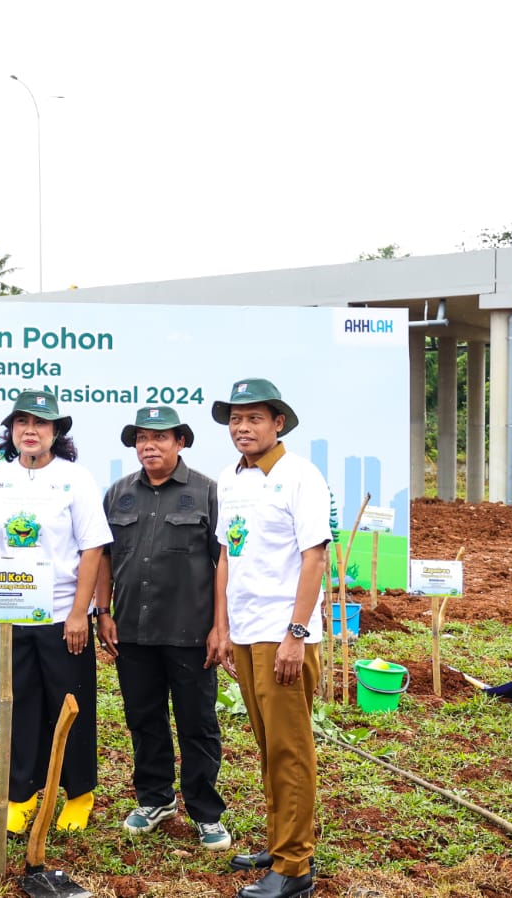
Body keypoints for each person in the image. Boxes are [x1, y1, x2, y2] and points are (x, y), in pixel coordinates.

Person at [211, 379, 331, 898]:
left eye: (254, 417)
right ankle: (283, 841)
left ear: (278, 422)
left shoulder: (300, 476)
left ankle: (295, 867)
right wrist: (222, 627)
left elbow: (315, 557)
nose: (243, 427)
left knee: (290, 750)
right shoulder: (229, 479)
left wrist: (295, 635)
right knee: (267, 746)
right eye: (236, 418)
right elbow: (226, 557)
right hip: (246, 631)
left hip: (284, 635)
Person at [0, 390, 110, 834]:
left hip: (59, 616)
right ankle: (21, 793)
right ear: (11, 432)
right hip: (10, 615)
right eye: (21, 423)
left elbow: (92, 549)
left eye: (41, 424)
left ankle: (78, 793)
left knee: (70, 701)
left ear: (56, 432)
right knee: (15, 703)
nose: (30, 431)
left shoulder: (76, 480)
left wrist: (78, 614)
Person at [95, 406, 230, 850]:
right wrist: (103, 610)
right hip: (133, 629)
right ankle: (155, 798)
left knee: (197, 722)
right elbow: (104, 557)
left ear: (181, 443)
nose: (148, 446)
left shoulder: (207, 492)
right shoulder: (117, 493)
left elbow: (222, 562)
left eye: (160, 438)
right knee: (143, 718)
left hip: (191, 632)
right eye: (141, 439)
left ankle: (205, 811)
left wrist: (219, 627)